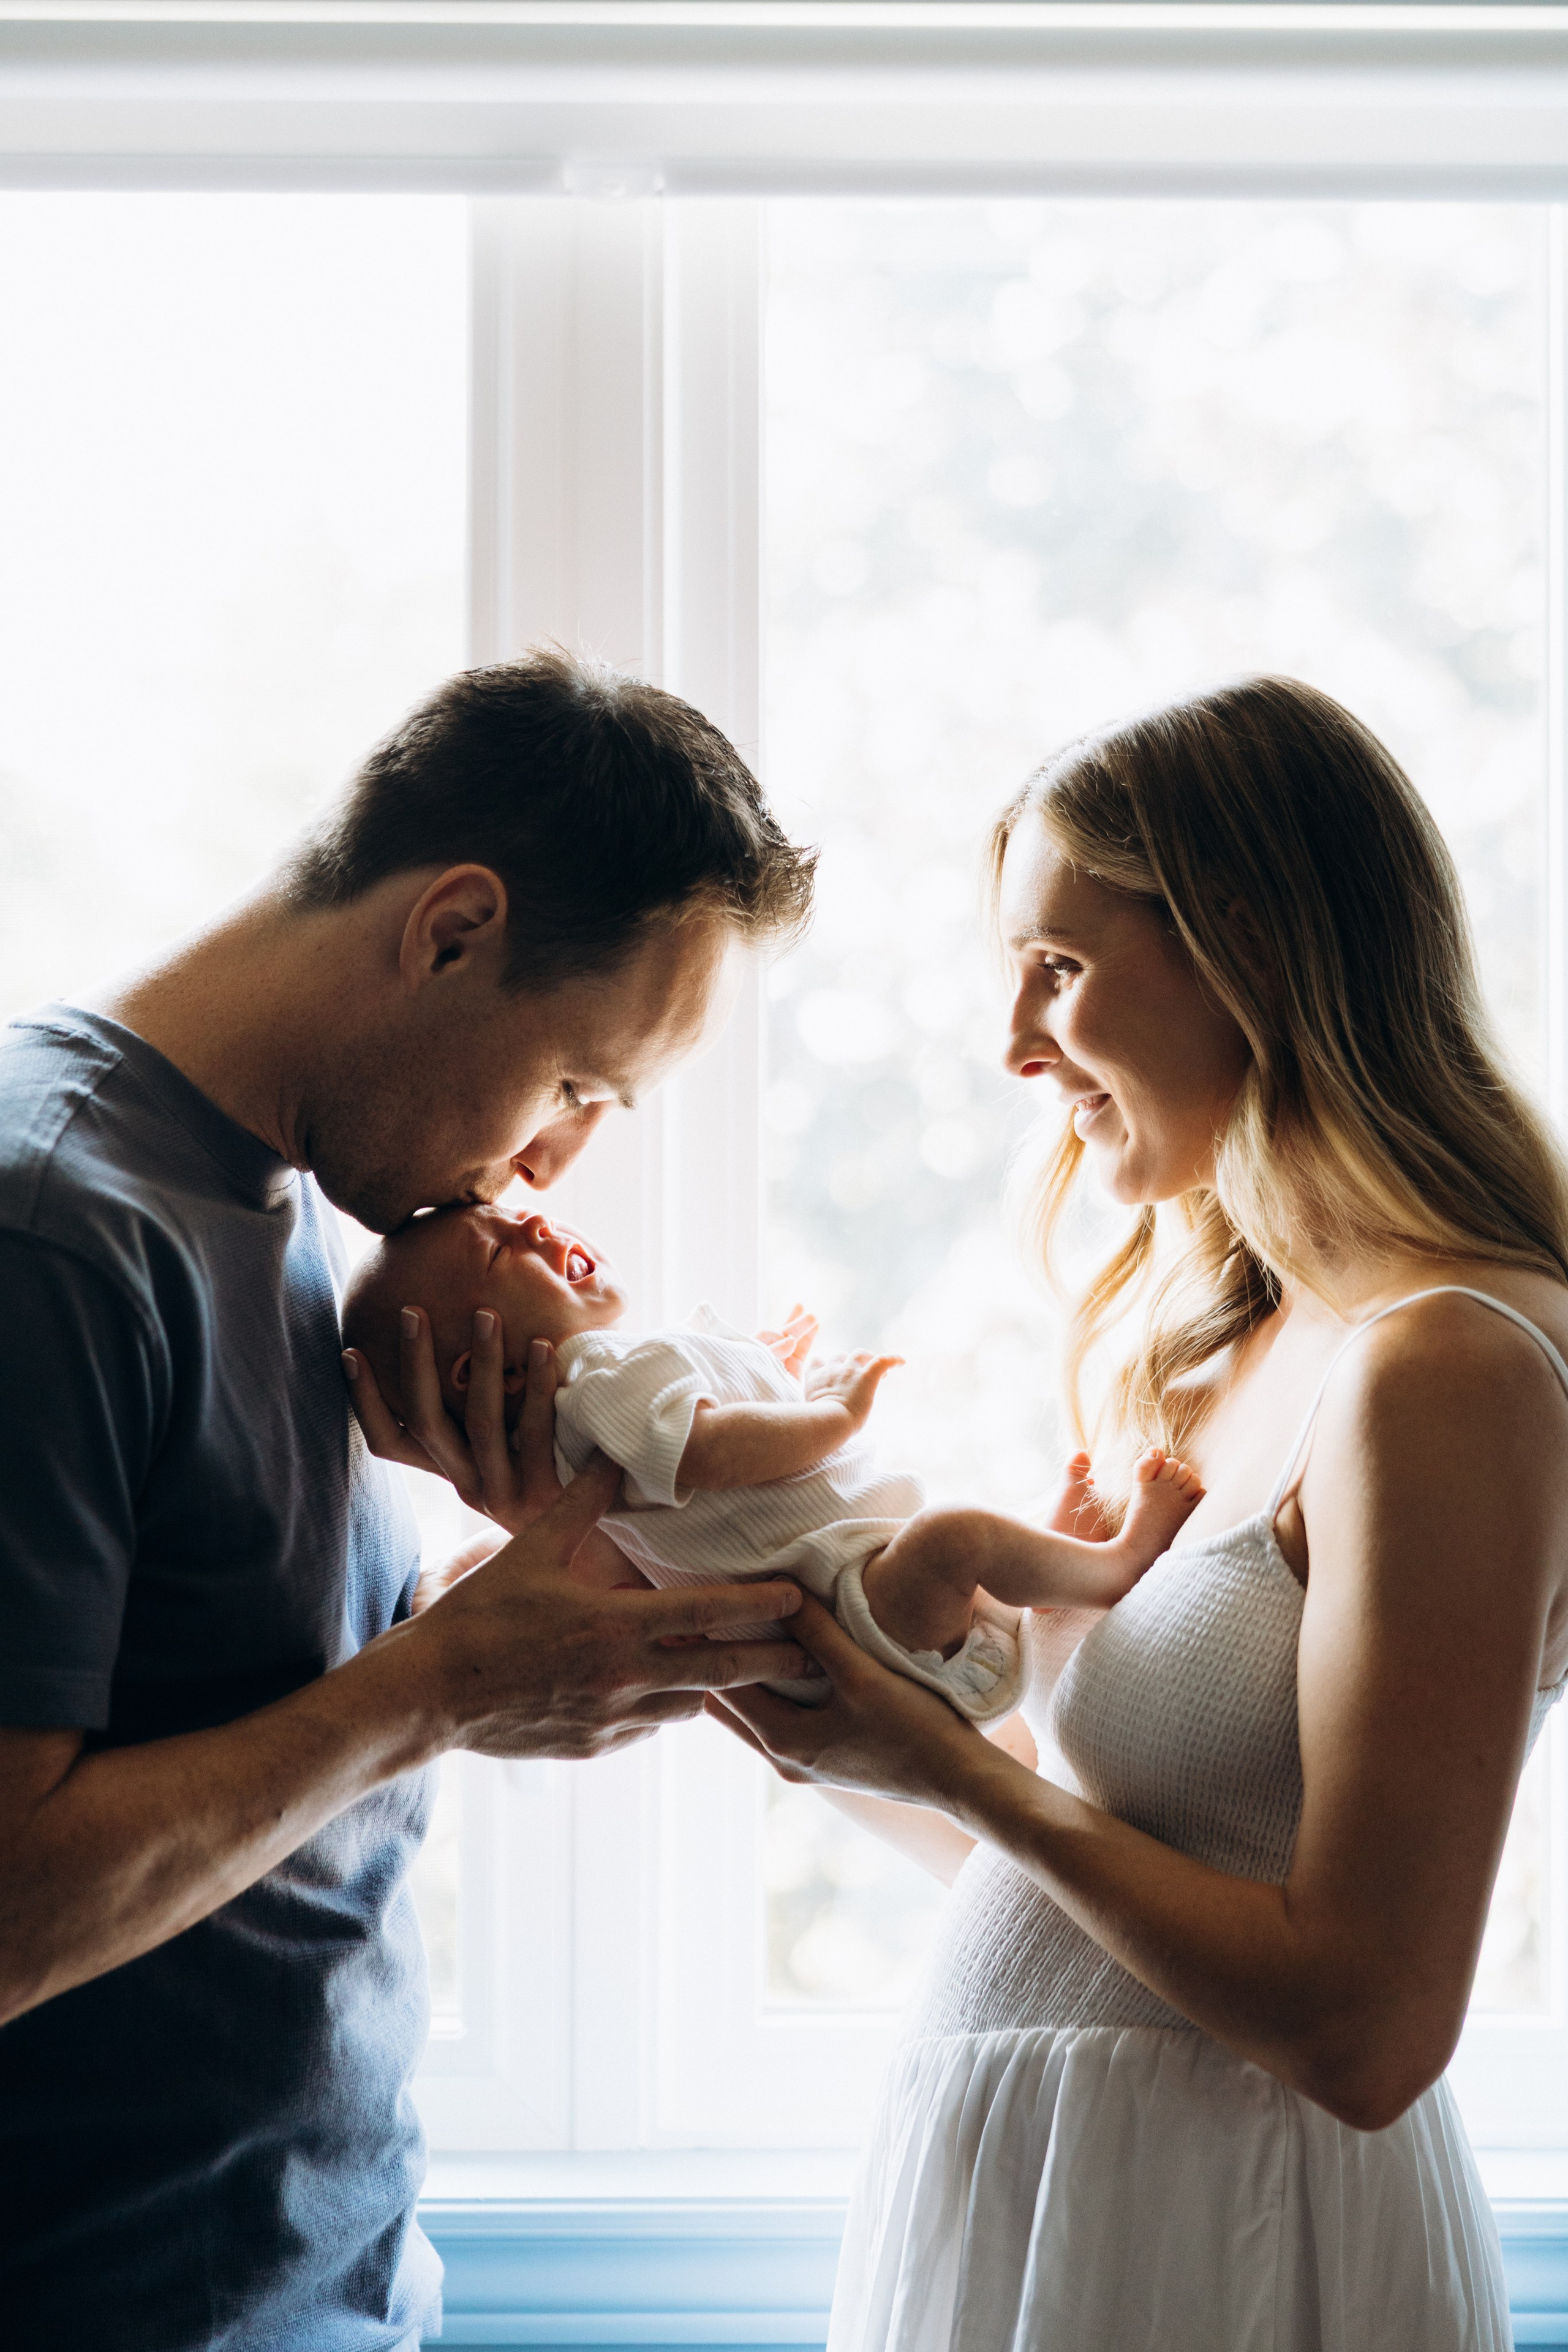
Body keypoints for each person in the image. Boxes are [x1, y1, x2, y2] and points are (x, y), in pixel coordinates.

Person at [706, 675, 1568, 2351]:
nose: (1016, 1042)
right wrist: (823, 1719)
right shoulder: (1232, 1346)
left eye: (1062, 967)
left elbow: (1368, 2029)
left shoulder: (1446, 1369)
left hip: (1231, 2233)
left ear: (1245, 944)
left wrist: (950, 1758)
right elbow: (1083, 1867)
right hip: (1049, 2200)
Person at [0, 646, 819, 2352]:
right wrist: (438, 1687)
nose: (555, 1165)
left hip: (332, 2294)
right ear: (453, 929)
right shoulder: (54, 1235)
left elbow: (240, 1714)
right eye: (583, 1084)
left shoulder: (296, 1213)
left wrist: (488, 1610)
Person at [342, 1203, 1204, 1716]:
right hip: (858, 1611)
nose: (534, 1217)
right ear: (477, 1362)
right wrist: (832, 1412)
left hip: (850, 1614)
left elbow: (698, 1447)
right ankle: (1116, 1563)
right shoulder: (586, 1377)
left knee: (952, 1547)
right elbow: (713, 1454)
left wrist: (768, 1368)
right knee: (952, 1538)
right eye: (500, 1249)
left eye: (511, 1211)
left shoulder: (600, 1394)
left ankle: (1044, 1582)